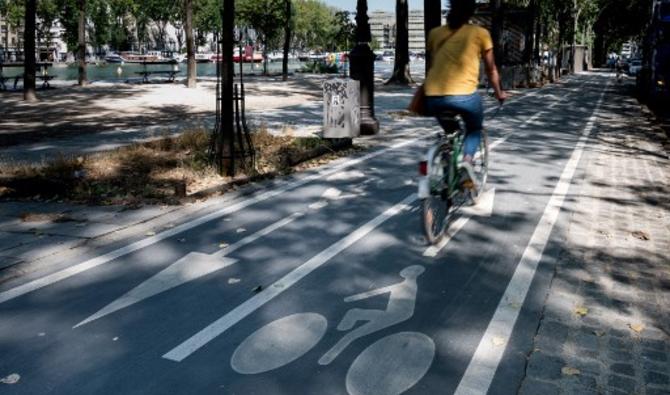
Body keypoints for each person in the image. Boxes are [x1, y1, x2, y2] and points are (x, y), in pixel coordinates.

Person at [424, 0, 507, 176]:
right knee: (474, 128)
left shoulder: (435, 34)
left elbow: (433, 65)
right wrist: (499, 93)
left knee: (450, 132)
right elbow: (491, 69)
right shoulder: (480, 33)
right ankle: (467, 163)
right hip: (465, 96)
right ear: (471, 13)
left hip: (433, 97)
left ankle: (447, 169)